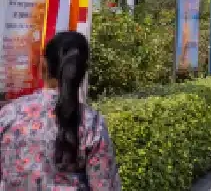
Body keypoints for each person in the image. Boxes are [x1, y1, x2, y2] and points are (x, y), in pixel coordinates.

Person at [0, 31, 122, 189]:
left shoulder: (9, 115)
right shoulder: (91, 123)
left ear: (43, 65)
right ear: (81, 73)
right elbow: (104, 185)